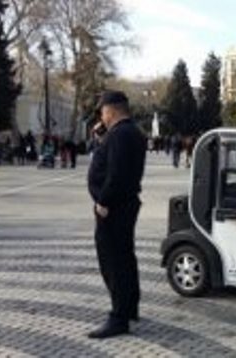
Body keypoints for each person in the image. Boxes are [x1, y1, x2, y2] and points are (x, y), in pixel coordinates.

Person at [87, 91, 146, 339]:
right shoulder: (129, 132)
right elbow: (114, 161)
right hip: (124, 205)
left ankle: (119, 316)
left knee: (113, 262)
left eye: (102, 111)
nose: (101, 116)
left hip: (114, 207)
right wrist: (103, 138)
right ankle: (128, 307)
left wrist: (103, 201)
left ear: (110, 110)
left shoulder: (121, 134)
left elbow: (118, 173)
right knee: (124, 257)